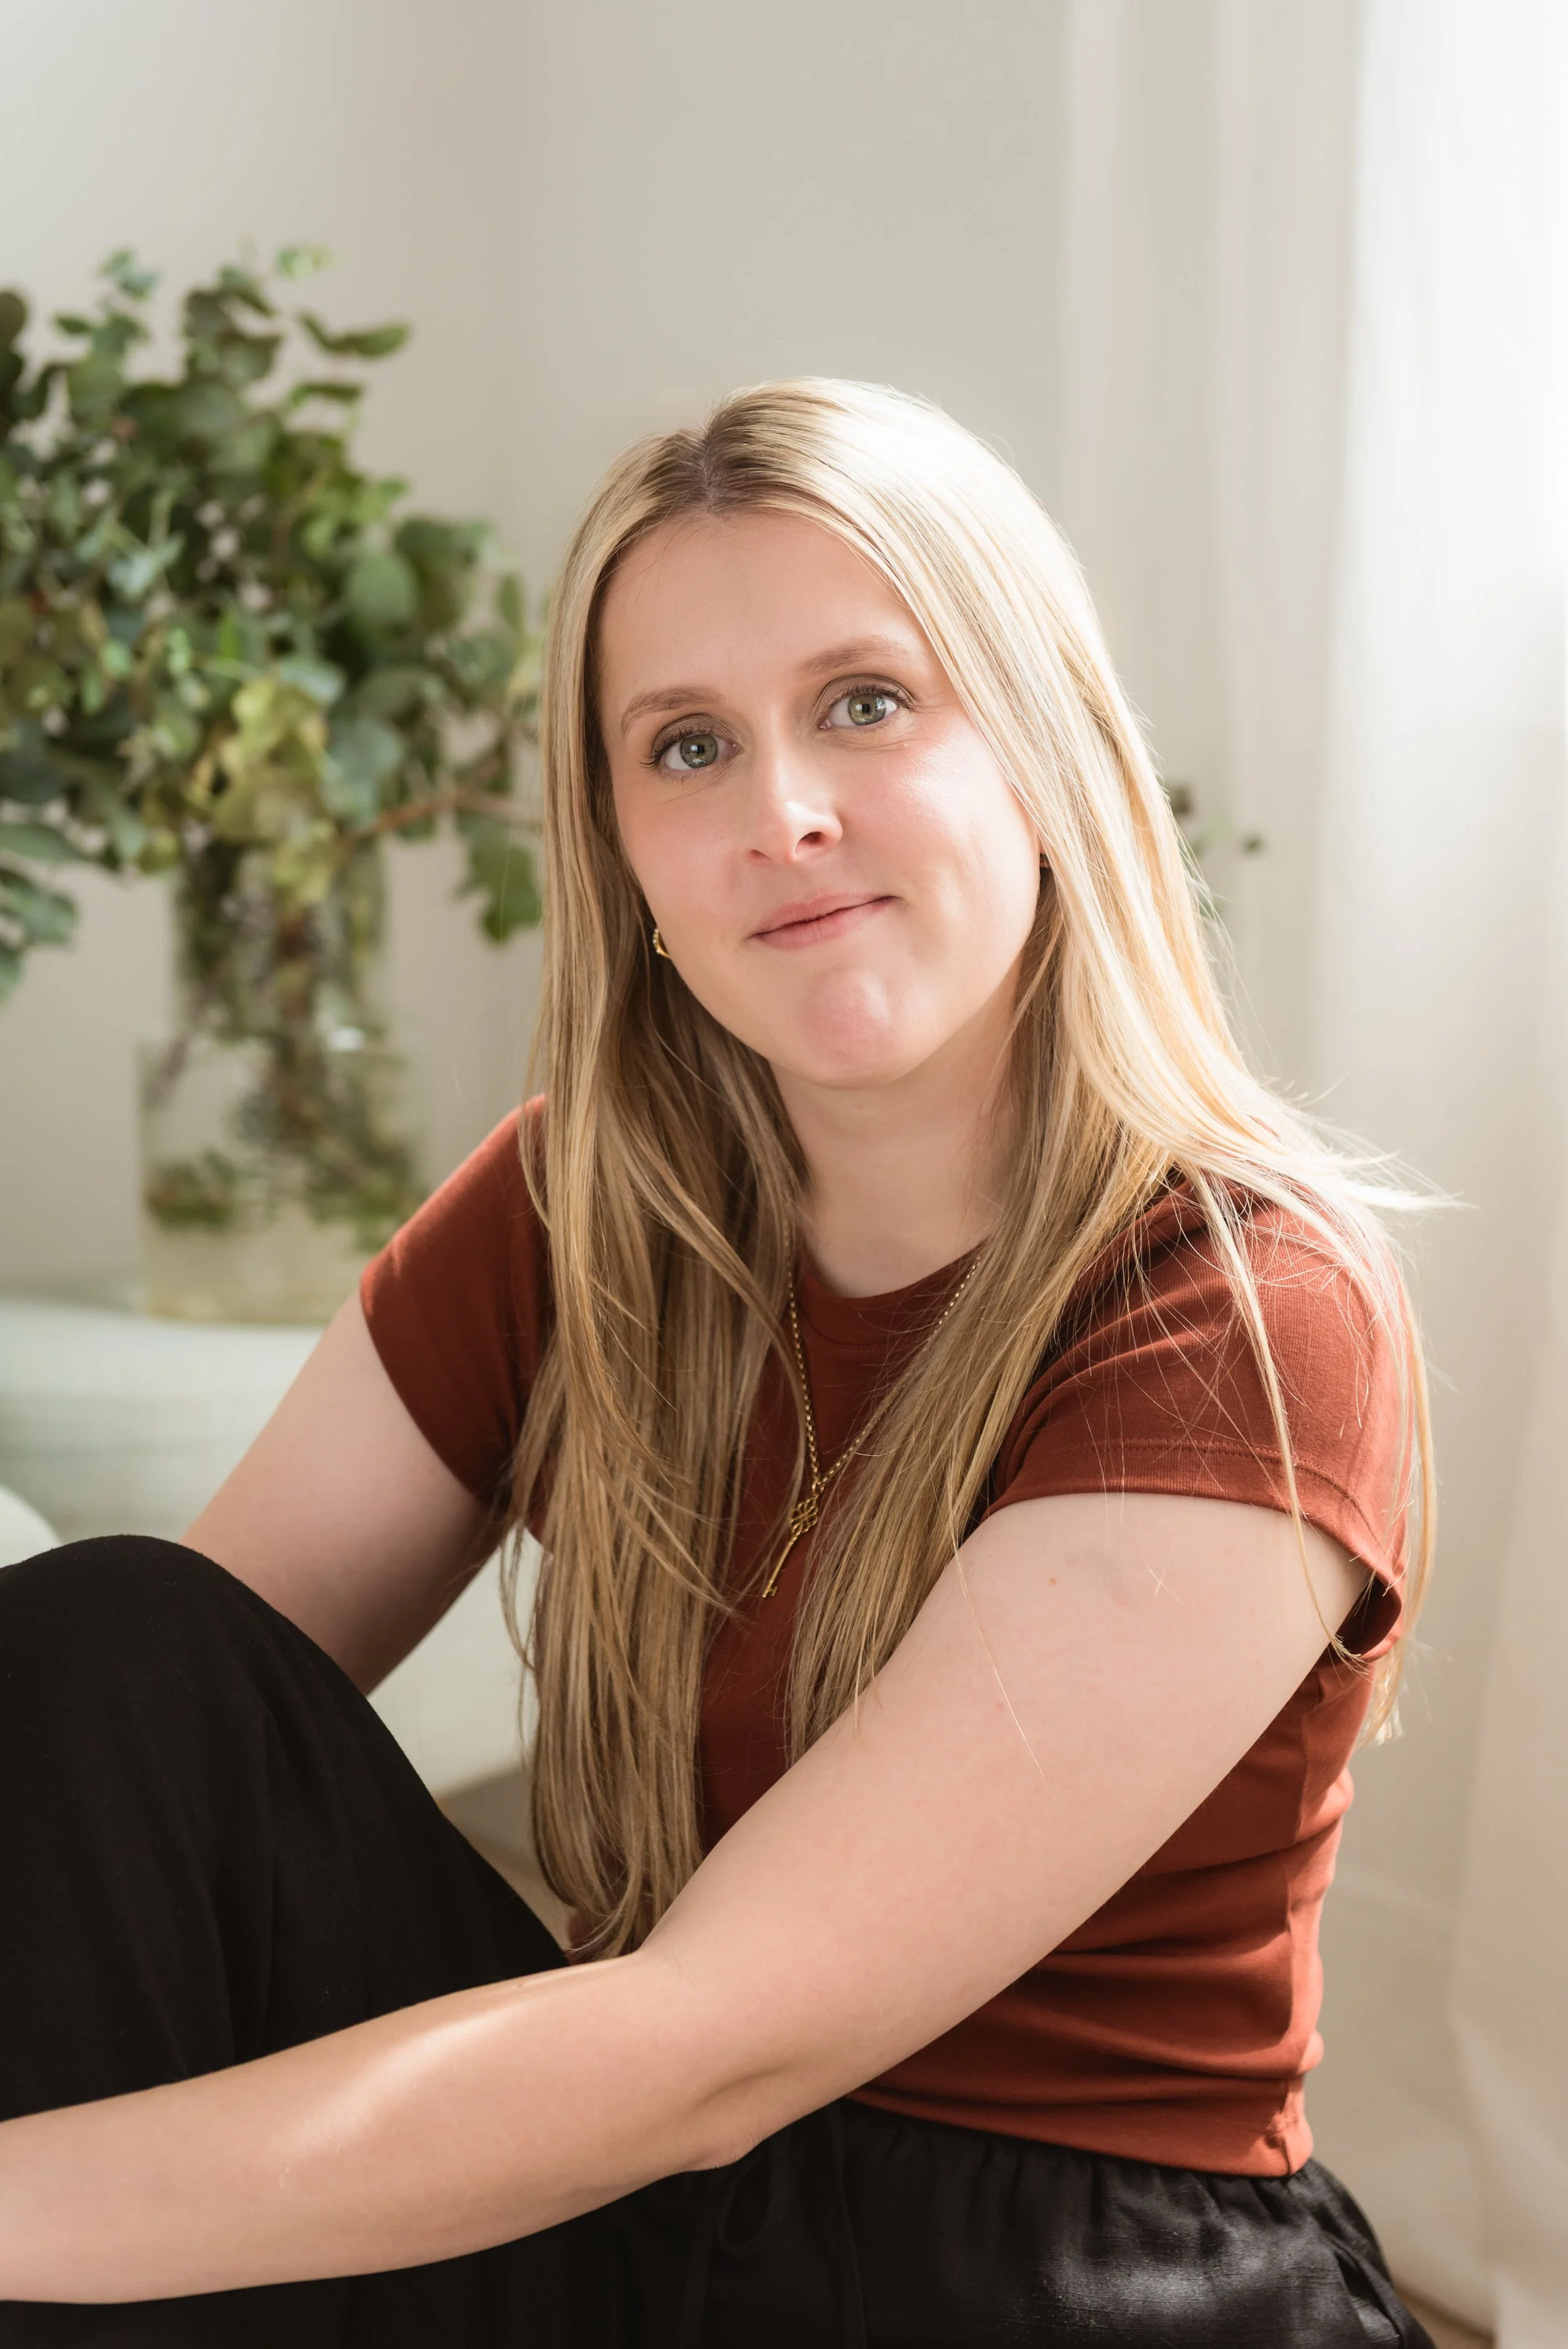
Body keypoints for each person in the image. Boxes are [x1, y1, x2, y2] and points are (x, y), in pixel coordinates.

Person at [0, 379, 1438, 2346]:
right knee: (106, 1644)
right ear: (624, 863)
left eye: (866, 701)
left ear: (1042, 749)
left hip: (1049, 2285)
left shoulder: (1237, 1308)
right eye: (687, 746)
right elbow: (126, 1765)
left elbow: (707, 2049)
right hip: (659, 2235)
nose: (782, 814)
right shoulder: (576, 1217)